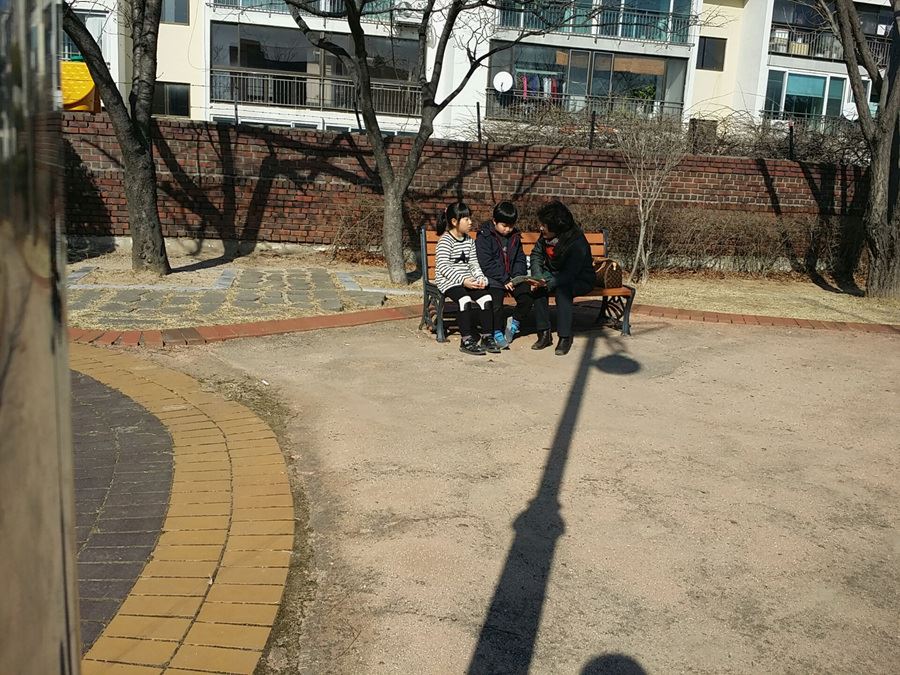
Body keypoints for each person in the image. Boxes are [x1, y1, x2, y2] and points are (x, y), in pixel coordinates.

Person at [528, 200, 596, 356]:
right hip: (554, 274)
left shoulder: (577, 242)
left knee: (563, 291)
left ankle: (564, 337)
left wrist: (548, 283)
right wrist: (538, 277)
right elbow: (536, 254)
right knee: (538, 289)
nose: (541, 228)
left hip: (580, 278)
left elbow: (570, 273)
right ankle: (544, 334)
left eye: (544, 225)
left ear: (556, 227)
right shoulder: (545, 236)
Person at [435, 202, 501, 356]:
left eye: (470, 218)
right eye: (466, 219)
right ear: (454, 222)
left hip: (467, 281)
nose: (470, 222)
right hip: (448, 281)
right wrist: (463, 280)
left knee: (486, 298)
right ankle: (466, 340)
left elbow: (473, 264)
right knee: (464, 299)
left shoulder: (469, 241)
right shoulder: (445, 241)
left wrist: (480, 278)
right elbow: (444, 267)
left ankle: (487, 337)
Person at [474, 201, 535, 349]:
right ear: (494, 221)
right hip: (494, 278)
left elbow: (520, 259)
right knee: (496, 305)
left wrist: (517, 277)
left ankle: (514, 322)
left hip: (512, 278)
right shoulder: (484, 236)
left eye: (511, 226)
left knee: (526, 297)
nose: (508, 229)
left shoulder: (515, 237)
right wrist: (504, 279)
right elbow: (486, 263)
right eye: (504, 225)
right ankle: (496, 331)